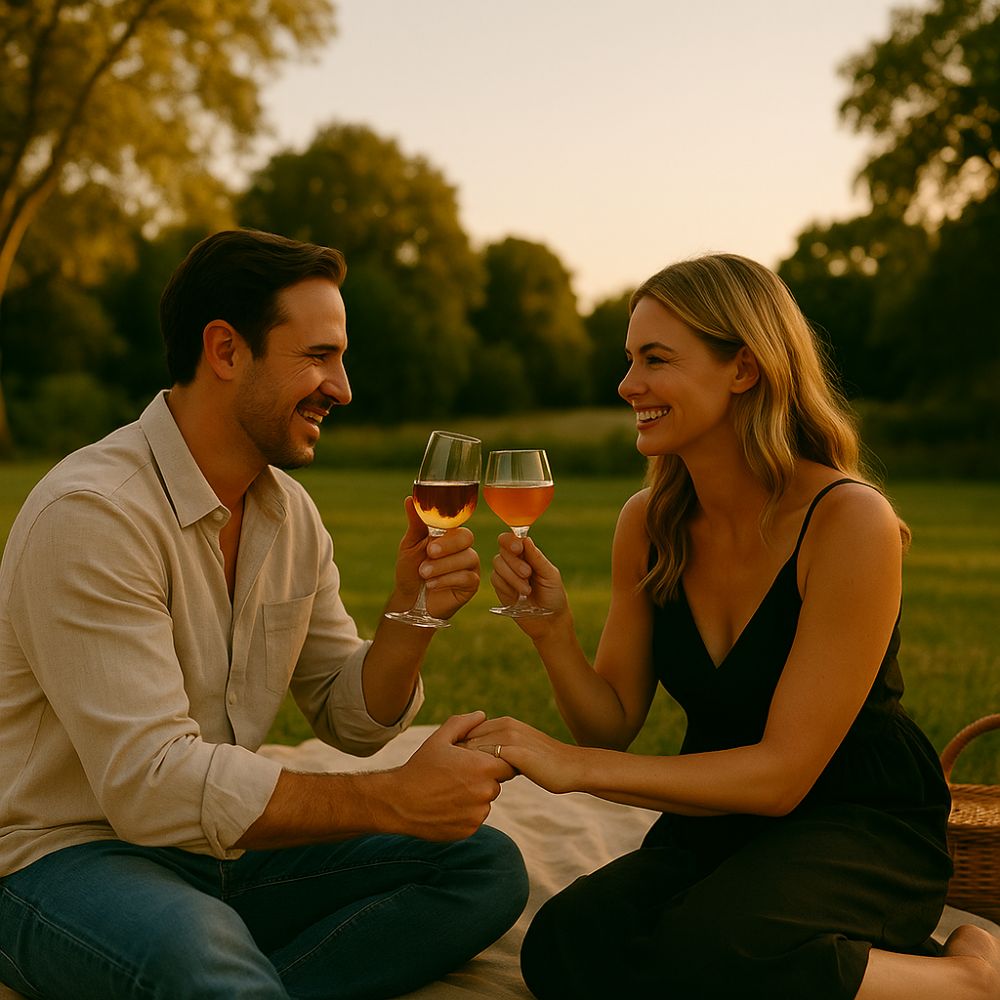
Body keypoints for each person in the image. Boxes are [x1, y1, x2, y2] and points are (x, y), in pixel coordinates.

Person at [0, 228, 528, 1000]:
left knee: (481, 865)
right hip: (65, 856)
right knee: (196, 950)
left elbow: (349, 719)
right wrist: (392, 798)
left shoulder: (290, 515)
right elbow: (151, 783)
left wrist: (409, 617)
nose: (343, 388)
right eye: (318, 356)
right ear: (224, 350)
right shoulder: (95, 514)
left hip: (219, 849)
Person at [467, 253, 1000, 999]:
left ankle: (969, 975)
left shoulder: (847, 520)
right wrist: (552, 632)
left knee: (711, 957)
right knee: (567, 945)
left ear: (743, 369)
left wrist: (573, 768)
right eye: (629, 360)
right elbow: (611, 724)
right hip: (719, 817)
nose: (627, 386)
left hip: (860, 821)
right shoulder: (648, 523)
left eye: (656, 359)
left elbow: (783, 776)